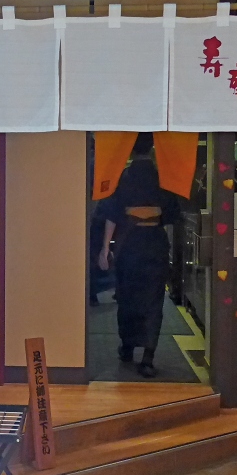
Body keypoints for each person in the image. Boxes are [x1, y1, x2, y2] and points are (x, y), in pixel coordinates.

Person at [97, 137, 182, 377]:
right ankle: (148, 358)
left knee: (127, 297)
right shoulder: (163, 179)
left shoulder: (122, 178)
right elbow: (172, 217)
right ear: (152, 149)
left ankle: (127, 347)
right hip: (155, 245)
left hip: (129, 246)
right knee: (153, 300)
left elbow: (111, 216)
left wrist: (105, 249)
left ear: (131, 151)